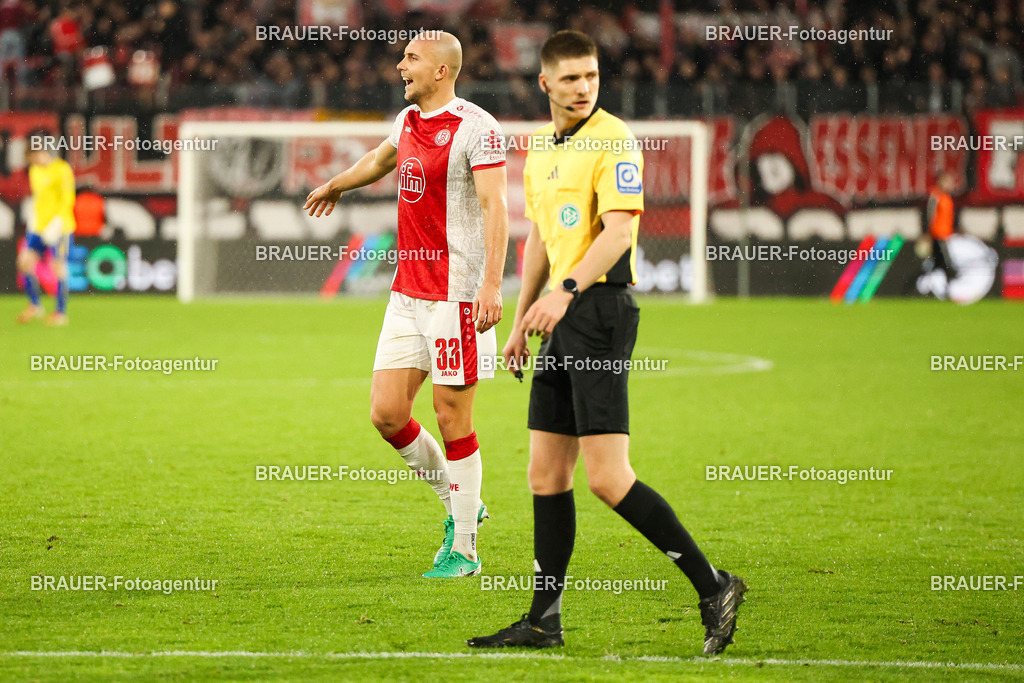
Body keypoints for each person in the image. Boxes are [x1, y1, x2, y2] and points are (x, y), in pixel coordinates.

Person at [468, 31, 747, 654]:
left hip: (598, 309)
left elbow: (619, 232)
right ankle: (543, 620)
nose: (583, 87)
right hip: (559, 312)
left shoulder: (614, 139)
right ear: (545, 83)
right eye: (570, 79)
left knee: (607, 478)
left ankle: (713, 584)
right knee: (545, 474)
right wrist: (519, 323)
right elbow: (538, 238)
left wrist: (564, 292)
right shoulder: (541, 148)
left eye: (590, 76)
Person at [304, 31, 509, 578]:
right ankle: (461, 502)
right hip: (407, 291)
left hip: (456, 295)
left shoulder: (478, 128)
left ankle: (464, 547)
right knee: (387, 413)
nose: (400, 66)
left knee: (450, 415)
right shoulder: (408, 121)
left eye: (411, 59)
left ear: (442, 70)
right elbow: (378, 160)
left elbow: (496, 208)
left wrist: (492, 285)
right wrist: (336, 185)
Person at [17, 133, 76, 326]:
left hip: (61, 227)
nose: (34, 161)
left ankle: (61, 313)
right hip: (40, 228)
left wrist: (56, 223)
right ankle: (35, 304)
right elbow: (39, 201)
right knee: (24, 262)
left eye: (35, 156)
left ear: (43, 152)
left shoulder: (61, 169)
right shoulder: (35, 171)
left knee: (58, 267)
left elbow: (68, 199)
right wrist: (34, 223)